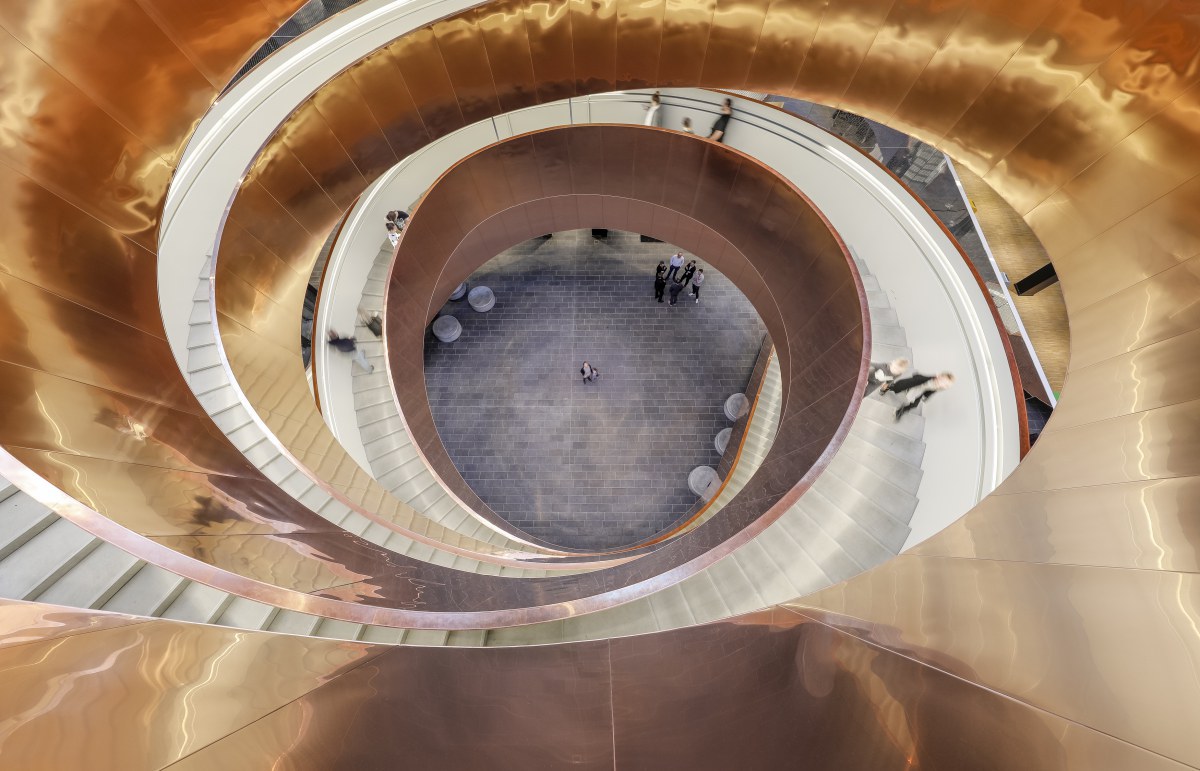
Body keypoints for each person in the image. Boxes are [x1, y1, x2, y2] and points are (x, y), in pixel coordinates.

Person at [887, 372, 955, 421]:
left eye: (945, 385)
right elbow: (918, 377)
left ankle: (900, 411)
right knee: (897, 387)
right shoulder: (928, 379)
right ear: (938, 376)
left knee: (914, 405)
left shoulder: (937, 387)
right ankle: (890, 387)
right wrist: (916, 376)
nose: (942, 384)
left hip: (918, 392)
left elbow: (931, 391)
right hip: (911, 386)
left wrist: (925, 397)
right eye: (943, 381)